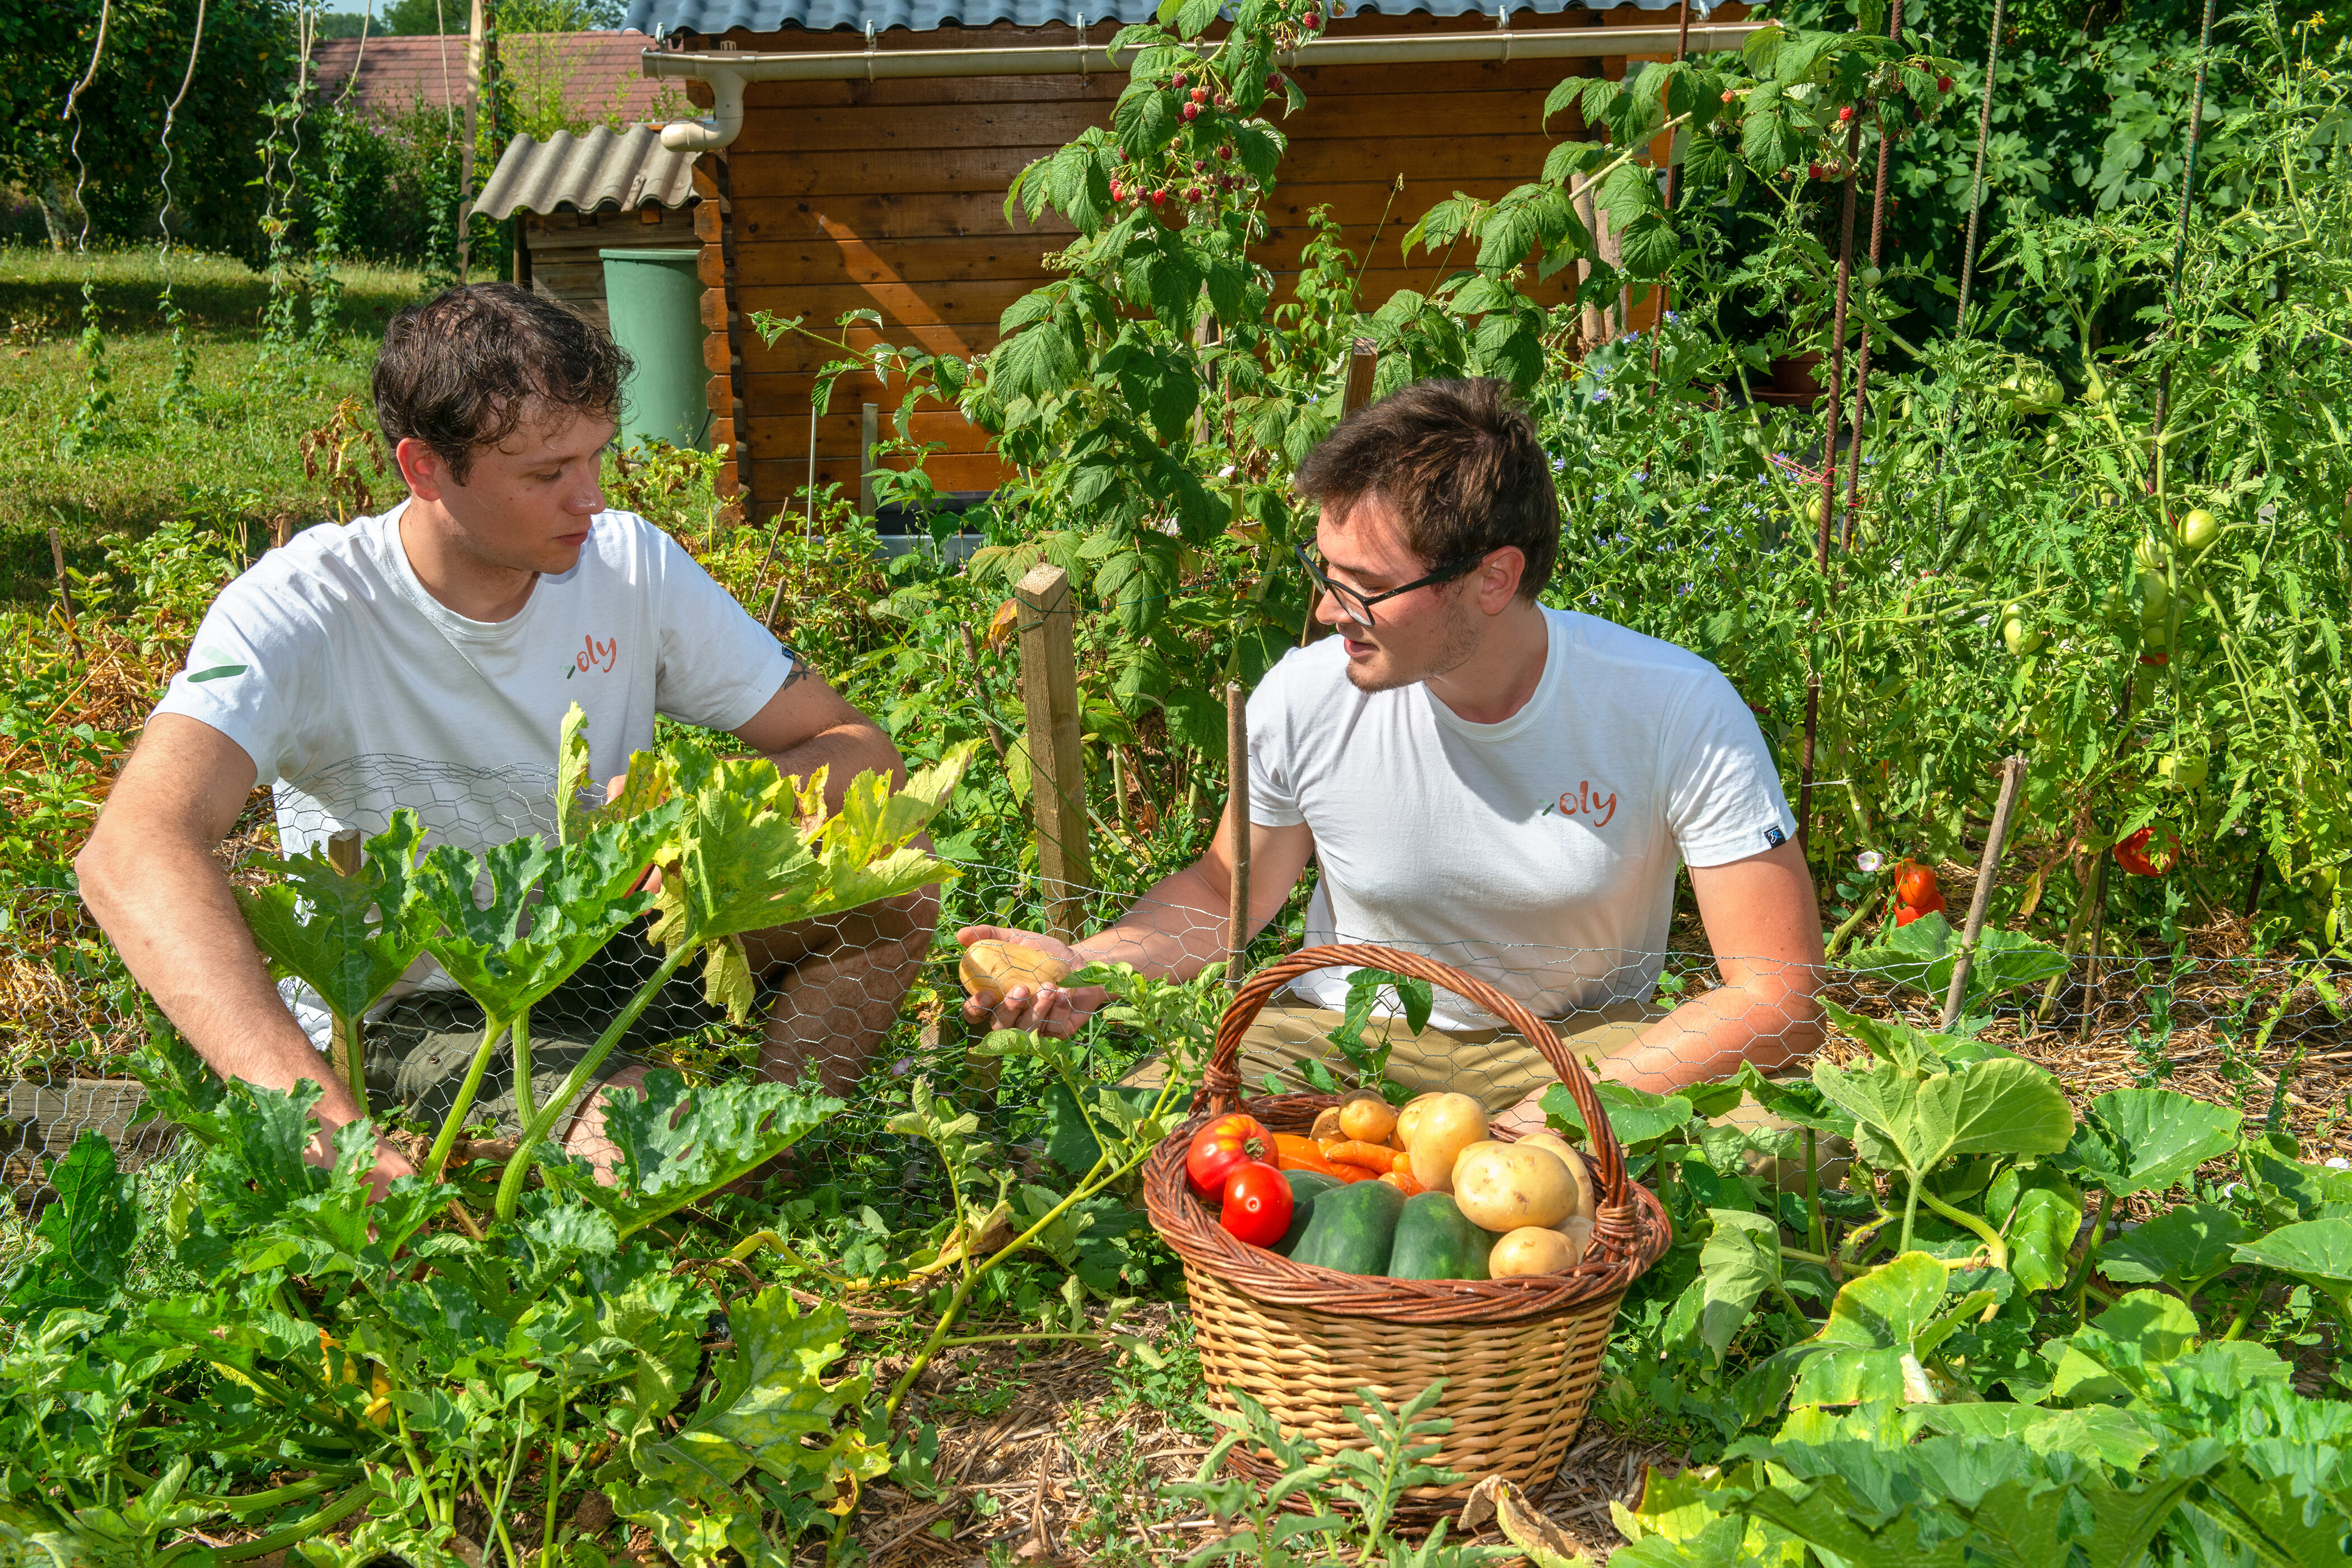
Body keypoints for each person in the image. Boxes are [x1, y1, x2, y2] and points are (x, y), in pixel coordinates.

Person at [77, 284, 934, 1197]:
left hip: (608, 946)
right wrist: (308, 1111)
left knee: (892, 884)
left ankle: (775, 1155)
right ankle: (613, 1144)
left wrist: (708, 812)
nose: (591, 498)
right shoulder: (302, 610)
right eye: (544, 474)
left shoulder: (629, 563)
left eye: (596, 458)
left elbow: (855, 746)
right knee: (668, 1145)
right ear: (424, 469)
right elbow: (132, 849)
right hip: (420, 1007)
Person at [958, 377, 1823, 1138]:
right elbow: (1228, 888)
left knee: (1781, 1147)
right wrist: (1087, 965)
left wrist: (1556, 1120)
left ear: (1492, 578)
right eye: (1324, 569)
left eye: (1364, 586)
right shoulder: (1306, 696)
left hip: (1579, 1050)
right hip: (1342, 1040)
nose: (1329, 612)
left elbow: (1777, 995)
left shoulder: (1673, 705)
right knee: (1137, 1136)